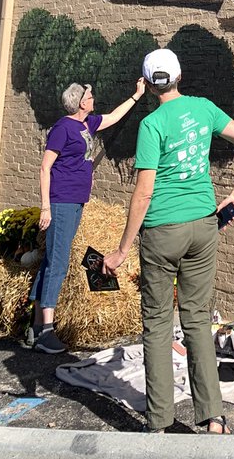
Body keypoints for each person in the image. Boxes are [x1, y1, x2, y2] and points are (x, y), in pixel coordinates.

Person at [102, 48, 234, 435]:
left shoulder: (152, 124)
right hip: (204, 226)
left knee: (157, 325)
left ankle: (159, 421)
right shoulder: (204, 108)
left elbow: (143, 194)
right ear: (179, 76)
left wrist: (122, 249)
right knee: (197, 321)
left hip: (161, 231)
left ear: (149, 83)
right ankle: (213, 417)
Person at [29, 77, 146, 353]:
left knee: (50, 261)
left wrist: (137, 94)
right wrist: (46, 207)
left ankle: (33, 328)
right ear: (82, 102)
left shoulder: (87, 124)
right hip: (61, 202)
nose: (94, 99)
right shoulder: (62, 129)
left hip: (76, 201)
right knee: (58, 263)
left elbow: (114, 117)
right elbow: (45, 168)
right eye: (90, 96)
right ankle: (46, 331)